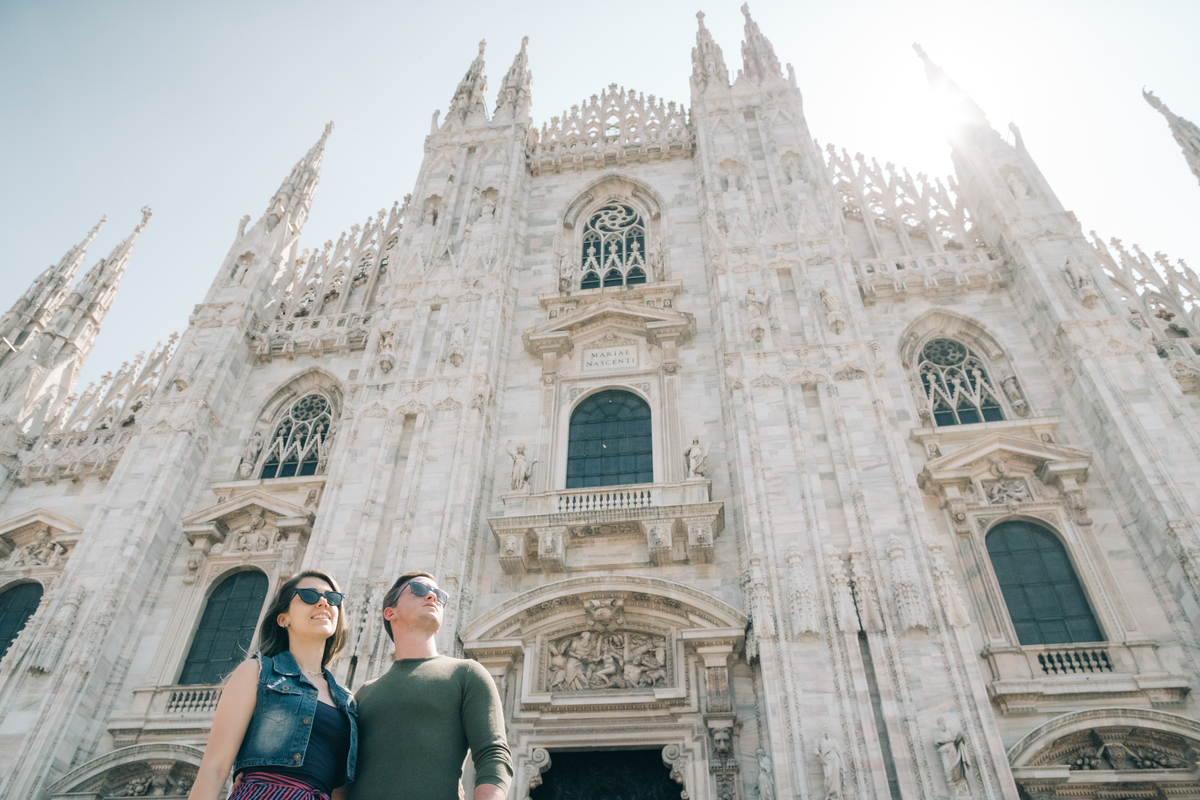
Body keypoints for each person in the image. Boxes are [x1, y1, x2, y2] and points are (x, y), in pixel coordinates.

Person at [189, 570, 357, 800]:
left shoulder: (346, 701)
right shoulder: (256, 672)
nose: (323, 602)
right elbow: (215, 767)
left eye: (332, 598)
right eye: (309, 595)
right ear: (283, 618)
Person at [350, 572, 512, 800]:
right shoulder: (364, 693)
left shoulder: (467, 674)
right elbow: (345, 775)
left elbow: (493, 755)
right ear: (390, 612)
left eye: (439, 594)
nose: (432, 596)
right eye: (418, 589)